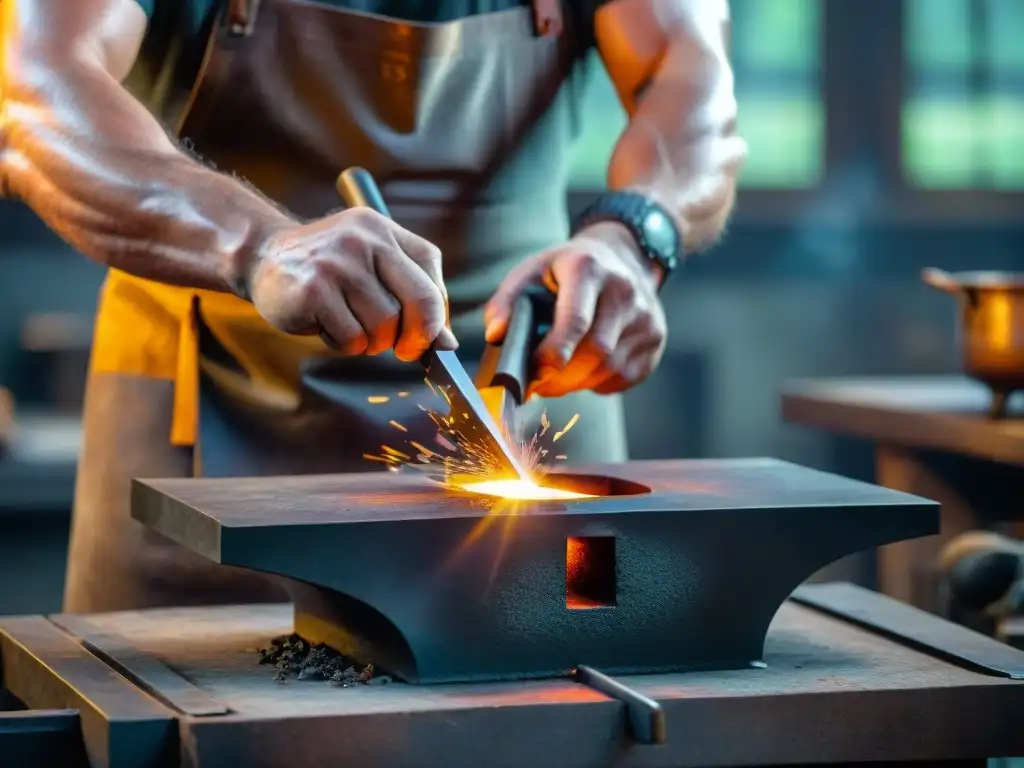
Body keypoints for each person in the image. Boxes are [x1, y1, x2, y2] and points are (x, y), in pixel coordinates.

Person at [0, 0, 746, 613]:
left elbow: (692, 81)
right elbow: (33, 91)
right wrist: (255, 243)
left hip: (528, 394)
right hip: (200, 421)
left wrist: (632, 234)